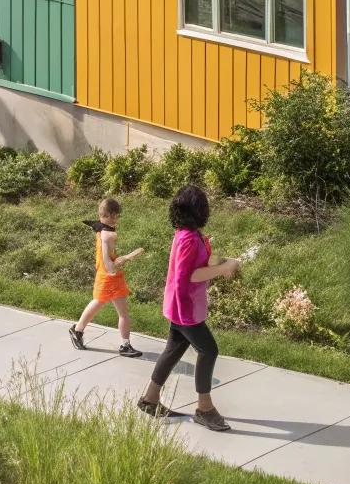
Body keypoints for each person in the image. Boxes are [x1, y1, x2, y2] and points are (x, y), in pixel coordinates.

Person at [138, 184, 241, 432]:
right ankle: (204, 409)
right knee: (209, 351)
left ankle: (150, 400)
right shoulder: (189, 240)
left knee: (173, 349)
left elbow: (197, 266)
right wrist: (222, 269)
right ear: (200, 210)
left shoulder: (185, 234)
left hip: (180, 305)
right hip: (186, 308)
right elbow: (189, 276)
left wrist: (223, 263)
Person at [68, 196, 145, 357]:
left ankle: (124, 344)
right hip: (108, 275)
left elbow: (96, 226)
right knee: (103, 305)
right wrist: (114, 264)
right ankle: (78, 330)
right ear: (110, 215)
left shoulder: (101, 227)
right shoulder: (108, 235)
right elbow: (106, 258)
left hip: (110, 275)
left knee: (116, 309)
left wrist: (116, 260)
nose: (117, 219)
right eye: (116, 216)